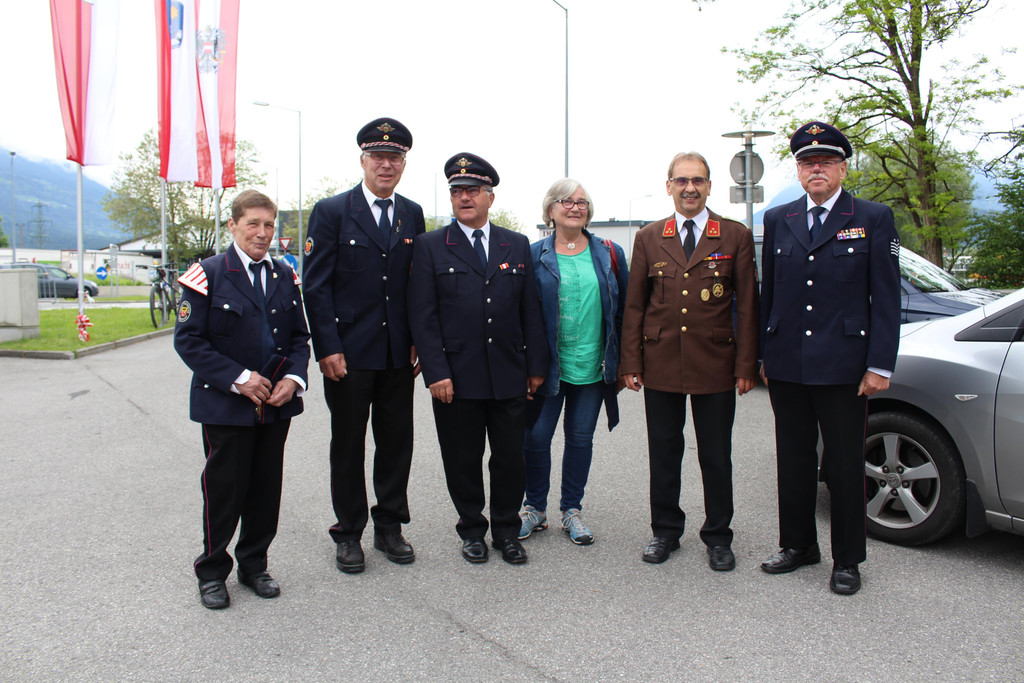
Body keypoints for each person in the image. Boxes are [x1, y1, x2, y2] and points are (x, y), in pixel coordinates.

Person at [759, 121, 900, 595]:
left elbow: (887, 296)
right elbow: (770, 293)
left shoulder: (873, 217)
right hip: (787, 363)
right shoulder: (780, 219)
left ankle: (847, 559)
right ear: (798, 170)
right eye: (806, 162)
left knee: (842, 465)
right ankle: (798, 546)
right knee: (793, 460)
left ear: (842, 167)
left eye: (825, 161)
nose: (815, 169)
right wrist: (763, 352)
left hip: (845, 366)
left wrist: (880, 364)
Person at [619, 151, 758, 572]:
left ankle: (718, 536)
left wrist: (746, 366)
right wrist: (631, 361)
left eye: (698, 181)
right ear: (669, 187)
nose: (690, 188)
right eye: (681, 181)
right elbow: (634, 306)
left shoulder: (734, 235)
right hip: (660, 360)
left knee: (715, 454)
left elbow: (749, 306)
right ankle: (665, 531)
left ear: (710, 187)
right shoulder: (648, 237)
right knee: (664, 452)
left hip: (715, 363)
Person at [408, 153, 548, 565]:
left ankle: (506, 531)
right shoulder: (431, 246)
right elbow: (423, 315)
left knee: (509, 458)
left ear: (490, 196)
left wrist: (535, 367)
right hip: (456, 377)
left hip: (508, 373)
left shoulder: (515, 243)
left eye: (472, 191)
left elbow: (530, 311)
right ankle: (471, 529)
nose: (464, 198)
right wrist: (435, 372)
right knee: (462, 458)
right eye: (457, 191)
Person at [173, 190, 311, 609]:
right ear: (232, 225)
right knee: (224, 491)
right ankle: (213, 571)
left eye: (269, 225)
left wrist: (294, 377)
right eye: (253, 223)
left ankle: (254, 565)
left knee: (266, 490)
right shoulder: (207, 274)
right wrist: (239, 379)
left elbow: (300, 338)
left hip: (274, 406)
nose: (262, 233)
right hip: (226, 405)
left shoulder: (285, 275)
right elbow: (189, 341)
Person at [303, 118, 426, 574]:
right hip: (349, 355)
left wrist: (417, 342)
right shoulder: (333, 211)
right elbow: (316, 287)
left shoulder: (412, 213)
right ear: (363, 161)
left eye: (395, 158)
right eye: (378, 157)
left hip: (397, 354)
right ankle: (349, 532)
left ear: (403, 164)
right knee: (349, 444)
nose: (386, 164)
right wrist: (327, 347)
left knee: (396, 443)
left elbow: (416, 284)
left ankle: (390, 526)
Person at [517, 178, 628, 546]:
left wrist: (625, 364)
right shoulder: (534, 255)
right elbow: (521, 313)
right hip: (547, 368)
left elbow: (624, 311)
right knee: (535, 438)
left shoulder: (609, 253)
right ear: (550, 209)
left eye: (581, 201)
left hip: (592, 367)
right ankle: (534, 508)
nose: (575, 207)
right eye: (566, 201)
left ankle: (572, 510)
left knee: (580, 439)